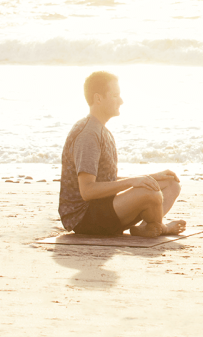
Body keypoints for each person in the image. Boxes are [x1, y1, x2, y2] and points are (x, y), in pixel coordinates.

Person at [58, 71, 185, 238]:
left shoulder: (101, 129)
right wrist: (134, 181)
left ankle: (148, 227)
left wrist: (148, 177)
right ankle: (162, 227)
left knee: (171, 183)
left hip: (104, 207)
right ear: (98, 99)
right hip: (84, 218)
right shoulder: (88, 134)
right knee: (152, 193)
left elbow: (105, 183)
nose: (121, 101)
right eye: (115, 95)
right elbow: (87, 191)